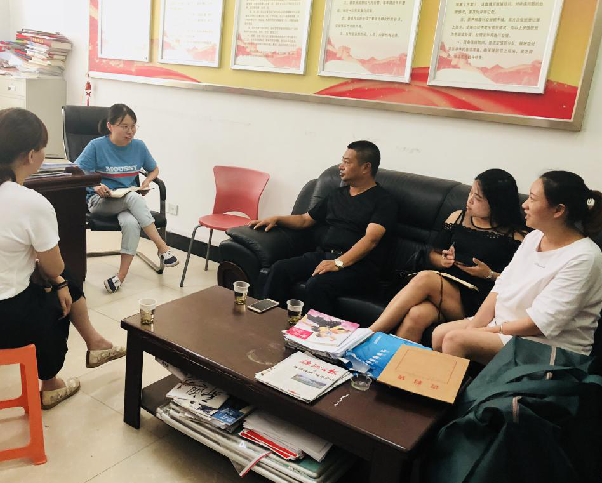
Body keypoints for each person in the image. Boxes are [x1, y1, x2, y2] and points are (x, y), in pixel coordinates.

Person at [0, 108, 125, 409]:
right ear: (32, 155)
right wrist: (57, 280)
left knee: (61, 282)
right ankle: (51, 384)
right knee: (60, 297)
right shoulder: (31, 203)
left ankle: (95, 343)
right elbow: (55, 266)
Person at [432, 171, 602, 363]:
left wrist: (489, 331)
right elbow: (501, 286)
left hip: (549, 345)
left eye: (532, 199)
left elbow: (539, 324)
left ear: (558, 210)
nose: (524, 205)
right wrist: (474, 328)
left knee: (455, 340)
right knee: (440, 334)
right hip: (507, 326)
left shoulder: (584, 257)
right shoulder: (534, 237)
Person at [368, 169, 526, 343]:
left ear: (497, 203)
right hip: (445, 290)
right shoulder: (457, 218)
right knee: (416, 315)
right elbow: (433, 254)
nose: (470, 200)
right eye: (470, 193)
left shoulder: (516, 237)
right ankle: (393, 359)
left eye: (478, 198)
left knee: (426, 278)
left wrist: (489, 274)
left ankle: (370, 333)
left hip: (478, 302)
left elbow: (521, 283)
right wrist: (442, 261)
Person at [251, 140, 398, 316]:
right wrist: (277, 219)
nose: (340, 166)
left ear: (366, 167)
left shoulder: (384, 201)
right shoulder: (337, 194)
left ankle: (311, 332)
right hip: (324, 256)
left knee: (318, 284)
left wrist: (339, 263)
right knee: (280, 269)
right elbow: (305, 220)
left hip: (360, 266)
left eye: (347, 162)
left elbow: (371, 239)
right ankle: (267, 321)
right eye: (342, 161)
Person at [74, 104, 178, 293]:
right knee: (133, 198)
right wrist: (95, 186)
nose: (130, 131)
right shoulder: (96, 146)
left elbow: (154, 169)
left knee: (131, 223)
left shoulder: (139, 146)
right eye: (124, 126)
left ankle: (119, 277)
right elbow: (76, 171)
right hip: (100, 201)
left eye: (133, 126)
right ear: (110, 126)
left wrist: (147, 181)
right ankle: (162, 247)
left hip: (126, 201)